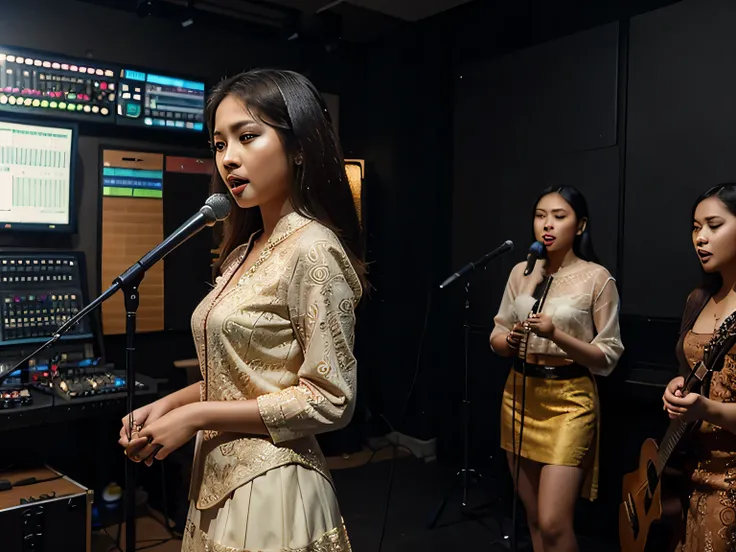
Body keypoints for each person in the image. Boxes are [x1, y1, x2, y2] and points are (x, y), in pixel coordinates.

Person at [117, 68, 366, 552]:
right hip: (217, 478)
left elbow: (331, 399)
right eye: (218, 144)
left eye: (247, 136)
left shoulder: (314, 249)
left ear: (298, 147)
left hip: (273, 484)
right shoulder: (243, 249)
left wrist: (196, 417)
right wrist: (168, 406)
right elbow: (239, 375)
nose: (228, 158)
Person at [489, 185, 624, 552]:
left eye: (559, 217)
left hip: (569, 400)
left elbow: (608, 355)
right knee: (532, 518)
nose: (547, 225)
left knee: (553, 521)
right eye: (540, 216)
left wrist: (557, 335)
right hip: (519, 394)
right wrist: (511, 341)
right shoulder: (522, 271)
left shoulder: (597, 277)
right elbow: (497, 336)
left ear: (579, 226)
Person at [663, 183, 736, 552]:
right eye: (695, 227)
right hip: (690, 467)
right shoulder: (699, 298)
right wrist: (677, 385)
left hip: (732, 479)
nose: (701, 238)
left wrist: (705, 408)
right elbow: (689, 368)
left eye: (713, 225)